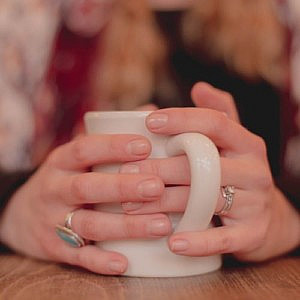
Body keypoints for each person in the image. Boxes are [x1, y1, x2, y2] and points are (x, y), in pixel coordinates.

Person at [0, 0, 299, 275]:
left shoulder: (289, 14)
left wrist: (287, 217)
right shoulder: (37, 14)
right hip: (86, 273)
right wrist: (12, 207)